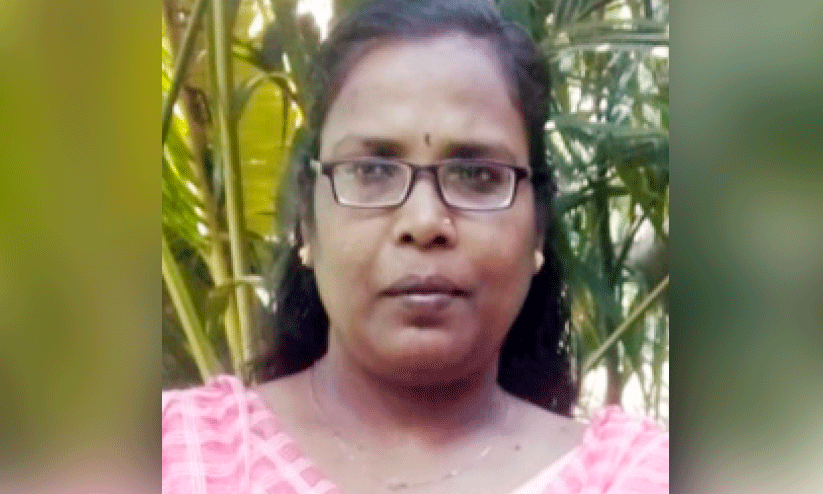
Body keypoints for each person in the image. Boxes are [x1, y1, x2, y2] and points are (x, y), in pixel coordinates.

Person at [161, 1, 669, 492]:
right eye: (372, 170)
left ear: (537, 230)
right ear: (307, 225)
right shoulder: (176, 452)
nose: (425, 223)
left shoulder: (638, 473)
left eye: (477, 175)